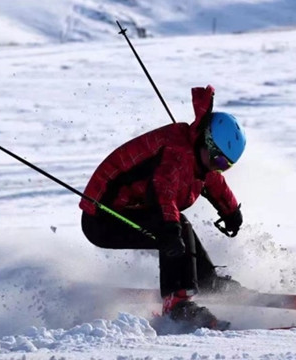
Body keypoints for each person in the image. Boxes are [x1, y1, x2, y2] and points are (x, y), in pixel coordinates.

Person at [80, 84, 246, 330]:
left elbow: (211, 180)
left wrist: (230, 210)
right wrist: (170, 230)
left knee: (177, 225)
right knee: (171, 229)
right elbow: (162, 195)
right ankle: (177, 303)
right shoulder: (177, 154)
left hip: (134, 208)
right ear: (206, 142)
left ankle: (206, 279)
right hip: (103, 218)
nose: (218, 166)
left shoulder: (198, 154)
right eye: (217, 159)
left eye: (225, 164)